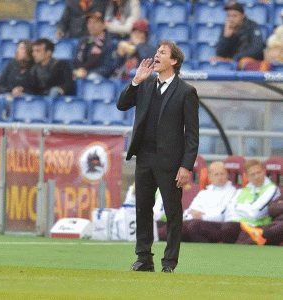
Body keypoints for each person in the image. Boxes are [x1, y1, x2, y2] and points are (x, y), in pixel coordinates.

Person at [117, 41, 199, 273]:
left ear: (174, 61)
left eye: (162, 52)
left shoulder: (186, 91)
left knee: (172, 212)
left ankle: (169, 262)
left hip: (171, 162)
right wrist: (135, 81)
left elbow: (192, 134)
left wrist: (186, 166)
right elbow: (122, 105)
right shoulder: (145, 84)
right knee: (143, 207)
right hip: (144, 156)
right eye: (156, 52)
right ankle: (144, 258)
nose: (156, 55)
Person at [188, 159, 281, 244]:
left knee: (226, 228)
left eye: (259, 172)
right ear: (247, 177)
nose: (256, 177)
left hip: (255, 226)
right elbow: (229, 211)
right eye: (252, 174)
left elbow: (256, 213)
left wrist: (238, 207)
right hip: (235, 224)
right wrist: (247, 208)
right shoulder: (244, 190)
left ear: (264, 172)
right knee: (192, 226)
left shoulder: (271, 189)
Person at [213, 1, 265, 69]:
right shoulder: (226, 27)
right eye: (229, 16)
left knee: (244, 62)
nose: (231, 19)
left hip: (246, 60)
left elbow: (257, 49)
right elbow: (220, 54)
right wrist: (226, 38)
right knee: (213, 60)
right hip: (231, 61)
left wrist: (236, 58)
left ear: (242, 16)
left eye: (235, 16)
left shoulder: (252, 26)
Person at [73, 11, 117, 80]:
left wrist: (87, 73)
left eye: (95, 22)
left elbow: (107, 68)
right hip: (79, 74)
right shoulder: (82, 41)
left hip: (97, 79)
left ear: (103, 25)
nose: (91, 25)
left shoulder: (108, 43)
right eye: (89, 22)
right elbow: (74, 60)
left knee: (92, 77)